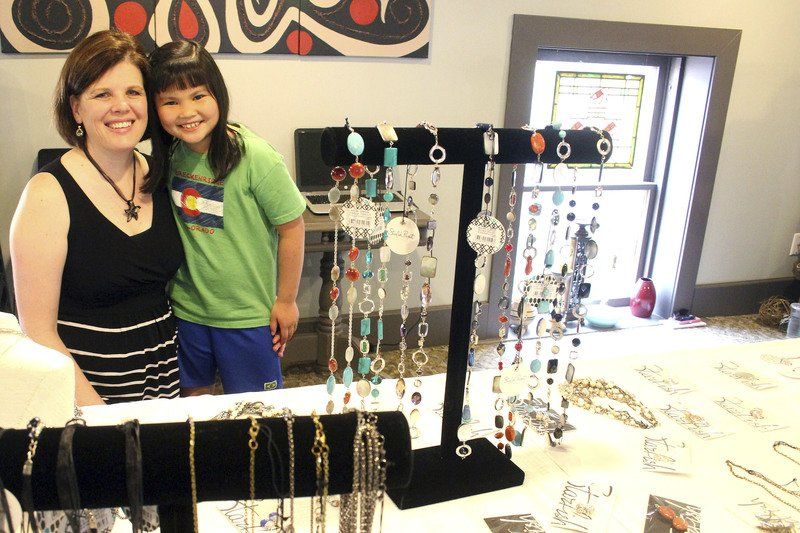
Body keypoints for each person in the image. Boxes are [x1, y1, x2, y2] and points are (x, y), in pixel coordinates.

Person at [10, 29, 184, 406]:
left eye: (133, 92)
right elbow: (38, 332)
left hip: (163, 384)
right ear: (76, 108)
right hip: (86, 398)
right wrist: (101, 417)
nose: (121, 106)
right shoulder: (47, 194)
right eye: (102, 94)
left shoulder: (161, 174)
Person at [147, 40, 306, 395]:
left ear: (217, 94)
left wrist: (286, 300)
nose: (187, 111)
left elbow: (293, 228)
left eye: (198, 96)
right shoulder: (170, 156)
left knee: (258, 413)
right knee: (193, 407)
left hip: (247, 316)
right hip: (187, 312)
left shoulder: (256, 157)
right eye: (171, 101)